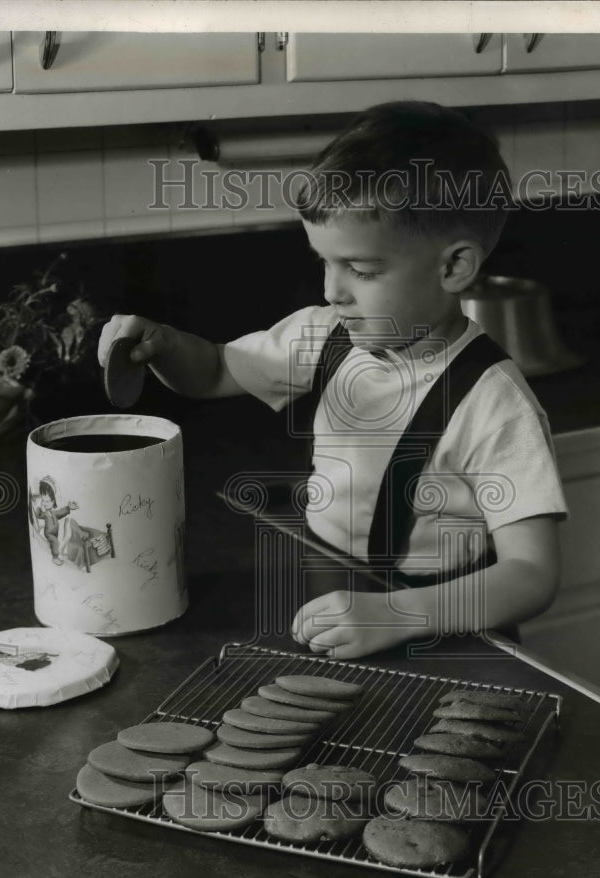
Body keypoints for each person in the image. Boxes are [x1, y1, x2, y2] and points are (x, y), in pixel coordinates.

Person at [98, 101, 567, 659]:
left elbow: (532, 573)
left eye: (362, 271)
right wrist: (165, 345)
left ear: (454, 267)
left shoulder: (495, 404)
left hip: (445, 625)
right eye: (324, 261)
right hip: (332, 592)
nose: (332, 291)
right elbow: (216, 371)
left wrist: (396, 614)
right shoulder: (325, 334)